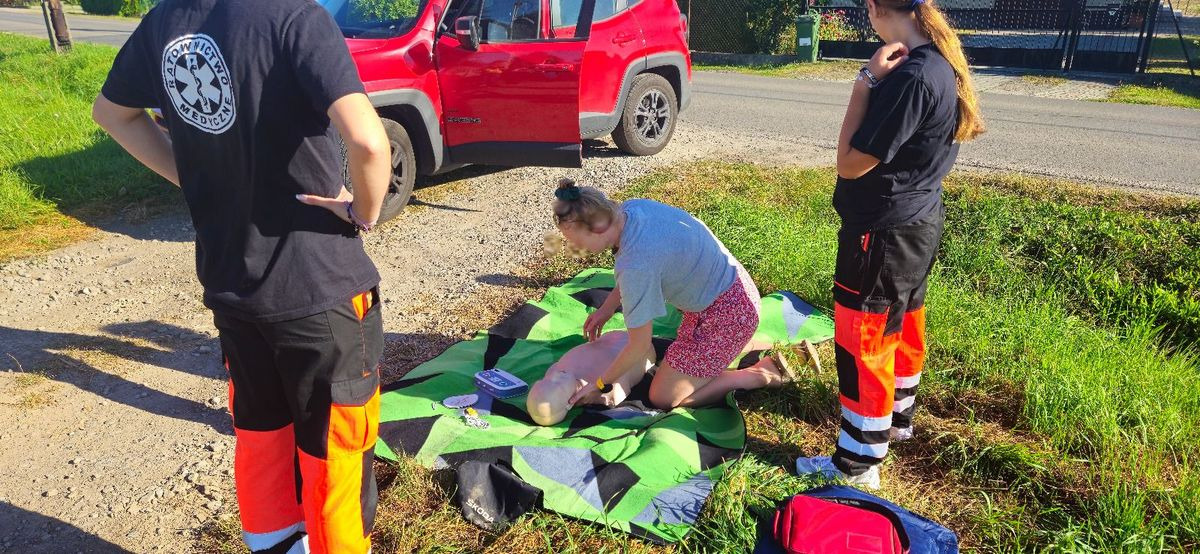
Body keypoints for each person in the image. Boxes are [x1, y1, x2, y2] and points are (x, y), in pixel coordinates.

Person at [91, 0, 393, 551]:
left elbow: (111, 114)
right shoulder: (295, 17)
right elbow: (370, 140)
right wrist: (364, 212)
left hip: (232, 286)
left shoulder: (165, 20)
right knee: (335, 455)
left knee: (263, 439)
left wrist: (193, 176)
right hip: (319, 288)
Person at [794, 0, 984, 490]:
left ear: (877, 8)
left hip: (880, 232)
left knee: (863, 342)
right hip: (916, 225)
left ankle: (859, 463)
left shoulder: (910, 79)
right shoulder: (940, 65)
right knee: (899, 324)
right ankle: (894, 423)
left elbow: (850, 163)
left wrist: (865, 83)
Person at [549, 179, 799, 410]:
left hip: (728, 316)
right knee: (681, 360)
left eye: (576, 241)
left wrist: (601, 383)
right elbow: (638, 269)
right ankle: (738, 346)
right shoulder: (632, 209)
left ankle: (758, 375)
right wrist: (606, 308)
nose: (575, 249)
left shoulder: (634, 266)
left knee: (664, 396)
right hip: (737, 288)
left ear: (596, 229)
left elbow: (639, 346)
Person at [527, 331, 655, 426]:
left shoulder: (558, 371)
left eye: (545, 380)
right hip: (641, 349)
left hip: (617, 338)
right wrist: (604, 388)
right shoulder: (604, 393)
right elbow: (619, 390)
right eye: (558, 385)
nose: (555, 375)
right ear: (570, 403)